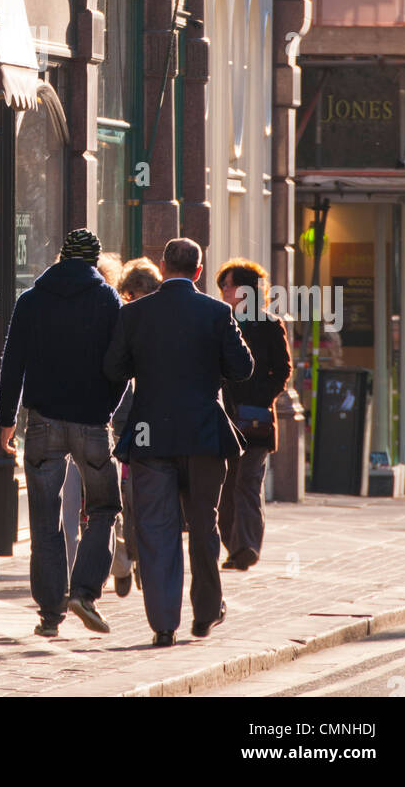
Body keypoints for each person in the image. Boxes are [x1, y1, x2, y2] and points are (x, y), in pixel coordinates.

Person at [103, 237, 253, 648]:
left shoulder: (134, 314)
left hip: (151, 436)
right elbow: (242, 368)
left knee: (156, 529)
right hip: (204, 435)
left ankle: (163, 622)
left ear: (164, 267)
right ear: (199, 272)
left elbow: (113, 367)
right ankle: (205, 613)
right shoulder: (217, 312)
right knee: (204, 526)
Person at [0, 228, 124, 638]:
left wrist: (6, 419)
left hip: (42, 423)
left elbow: (11, 362)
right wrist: (107, 405)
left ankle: (50, 613)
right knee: (103, 508)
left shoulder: (31, 300)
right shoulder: (107, 299)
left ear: (59, 258)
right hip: (91, 422)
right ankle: (84, 592)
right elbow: (121, 364)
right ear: (94, 261)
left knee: (45, 520)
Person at [216, 258, 292, 571]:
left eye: (229, 285)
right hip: (222, 417)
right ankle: (233, 544)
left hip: (256, 419)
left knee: (247, 482)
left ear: (245, 289)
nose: (223, 290)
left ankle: (245, 547)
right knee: (223, 485)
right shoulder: (218, 321)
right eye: (222, 285)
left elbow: (283, 370)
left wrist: (260, 398)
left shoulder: (269, 325)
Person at [110, 257, 162, 597]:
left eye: (140, 295)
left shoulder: (162, 324)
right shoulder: (122, 322)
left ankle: (142, 560)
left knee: (143, 501)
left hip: (151, 426)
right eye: (130, 296)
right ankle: (121, 562)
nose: (134, 302)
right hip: (122, 424)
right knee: (118, 501)